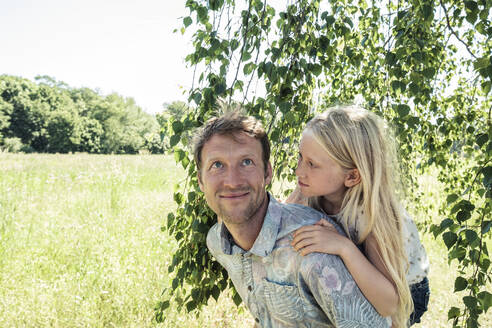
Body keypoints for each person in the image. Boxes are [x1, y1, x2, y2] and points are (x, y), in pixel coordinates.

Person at [193, 109, 389, 327]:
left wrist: (346, 248)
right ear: (200, 181)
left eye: (246, 162)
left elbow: (386, 309)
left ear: (268, 172)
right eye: (217, 165)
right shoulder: (218, 242)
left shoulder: (313, 251)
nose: (231, 181)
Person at [286, 105, 430, 327]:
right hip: (367, 273)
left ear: (352, 176)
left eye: (312, 164)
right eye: (300, 158)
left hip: (404, 289)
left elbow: (388, 304)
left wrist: (344, 247)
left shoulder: (374, 215)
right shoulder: (309, 190)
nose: (299, 171)